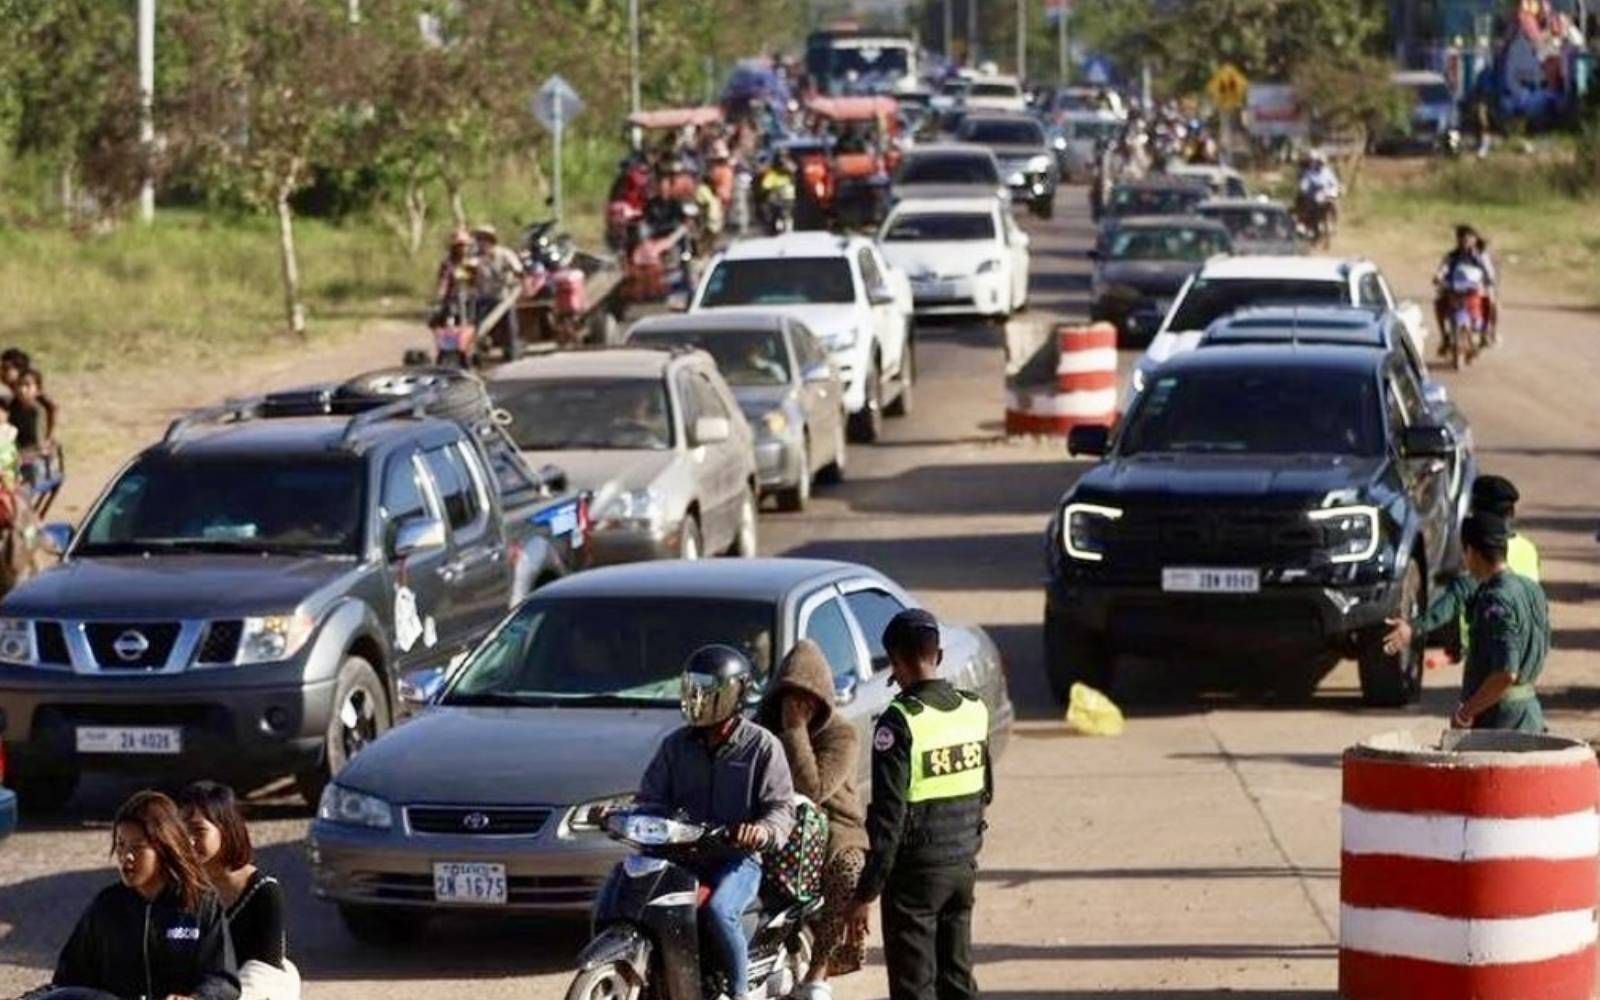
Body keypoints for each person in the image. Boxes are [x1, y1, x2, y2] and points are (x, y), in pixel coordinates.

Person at [635, 645, 795, 1000]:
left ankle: (738, 993)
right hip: (679, 855)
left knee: (721, 912)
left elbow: (781, 809)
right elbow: (650, 798)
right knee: (634, 900)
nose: (698, 699)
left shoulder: (762, 747)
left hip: (736, 858)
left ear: (735, 694)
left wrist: (761, 831)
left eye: (708, 692)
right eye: (693, 689)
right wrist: (633, 816)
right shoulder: (675, 746)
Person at [849, 609, 992, 1000]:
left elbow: (888, 819)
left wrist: (866, 892)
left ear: (895, 664)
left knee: (915, 989)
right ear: (939, 656)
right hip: (962, 866)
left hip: (915, 880)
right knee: (957, 983)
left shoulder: (898, 723)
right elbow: (984, 792)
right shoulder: (973, 709)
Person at [45, 790, 240, 1000]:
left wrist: (196, 998)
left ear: (164, 848)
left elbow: (224, 982)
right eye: (120, 845)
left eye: (138, 847)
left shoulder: (201, 903)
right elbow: (67, 982)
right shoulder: (106, 906)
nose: (126, 856)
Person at [755, 640, 868, 1000]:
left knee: (848, 872)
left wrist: (796, 729)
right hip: (778, 823)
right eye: (788, 697)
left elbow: (814, 787)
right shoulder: (761, 731)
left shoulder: (842, 735)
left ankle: (817, 973)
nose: (797, 704)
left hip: (836, 829)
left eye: (806, 698)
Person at [1384, 513, 1551, 732]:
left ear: (1472, 552)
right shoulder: (1532, 589)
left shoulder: (1496, 599)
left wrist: (1465, 713)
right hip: (1530, 715)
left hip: (1502, 722)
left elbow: (1506, 673)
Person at [1387, 475, 1541, 663]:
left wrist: (1413, 628)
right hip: (1525, 656)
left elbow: (1453, 600)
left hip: (1490, 658)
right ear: (1511, 513)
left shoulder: (1480, 552)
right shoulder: (1529, 549)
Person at [178, 781, 298, 1000]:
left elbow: (265, 974)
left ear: (225, 829)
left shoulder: (264, 893)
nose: (188, 841)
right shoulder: (178, 888)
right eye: (180, 832)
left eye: (198, 830)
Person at [1433, 224, 1495, 351]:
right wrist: (1438, 277)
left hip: (1475, 289)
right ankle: (1444, 336)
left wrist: (1489, 281)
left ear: (1474, 240)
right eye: (1461, 239)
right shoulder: (1452, 256)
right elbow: (1443, 268)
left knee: (1492, 303)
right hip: (1454, 289)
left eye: (1467, 239)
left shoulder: (1480, 257)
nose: (1464, 242)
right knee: (1439, 302)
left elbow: (1489, 272)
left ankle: (1487, 333)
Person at [471, 224, 525, 361]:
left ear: (491, 240)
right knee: (477, 324)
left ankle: (512, 349)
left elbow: (519, 271)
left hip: (503, 297)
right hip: (483, 297)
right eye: (479, 239)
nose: (481, 242)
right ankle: (479, 349)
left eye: (484, 239)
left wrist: (515, 280)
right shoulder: (474, 257)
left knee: (509, 324)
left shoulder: (504, 254)